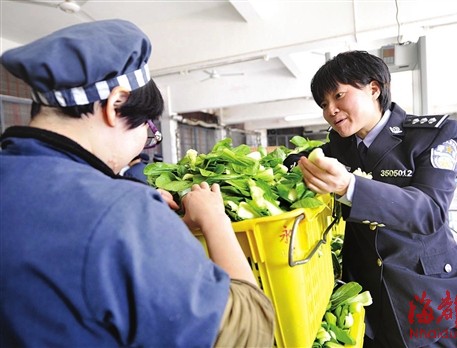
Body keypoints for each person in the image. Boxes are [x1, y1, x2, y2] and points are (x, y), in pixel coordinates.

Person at [0, 20, 274, 347]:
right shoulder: (124, 213)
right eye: (146, 124)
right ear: (116, 104)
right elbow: (250, 331)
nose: (146, 136)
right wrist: (214, 219)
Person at [284, 51, 457, 348]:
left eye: (338, 95)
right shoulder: (339, 146)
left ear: (373, 88)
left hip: (425, 295)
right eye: (323, 104)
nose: (330, 110)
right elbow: (297, 159)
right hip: (368, 298)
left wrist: (350, 187)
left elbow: (430, 210)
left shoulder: (431, 134)